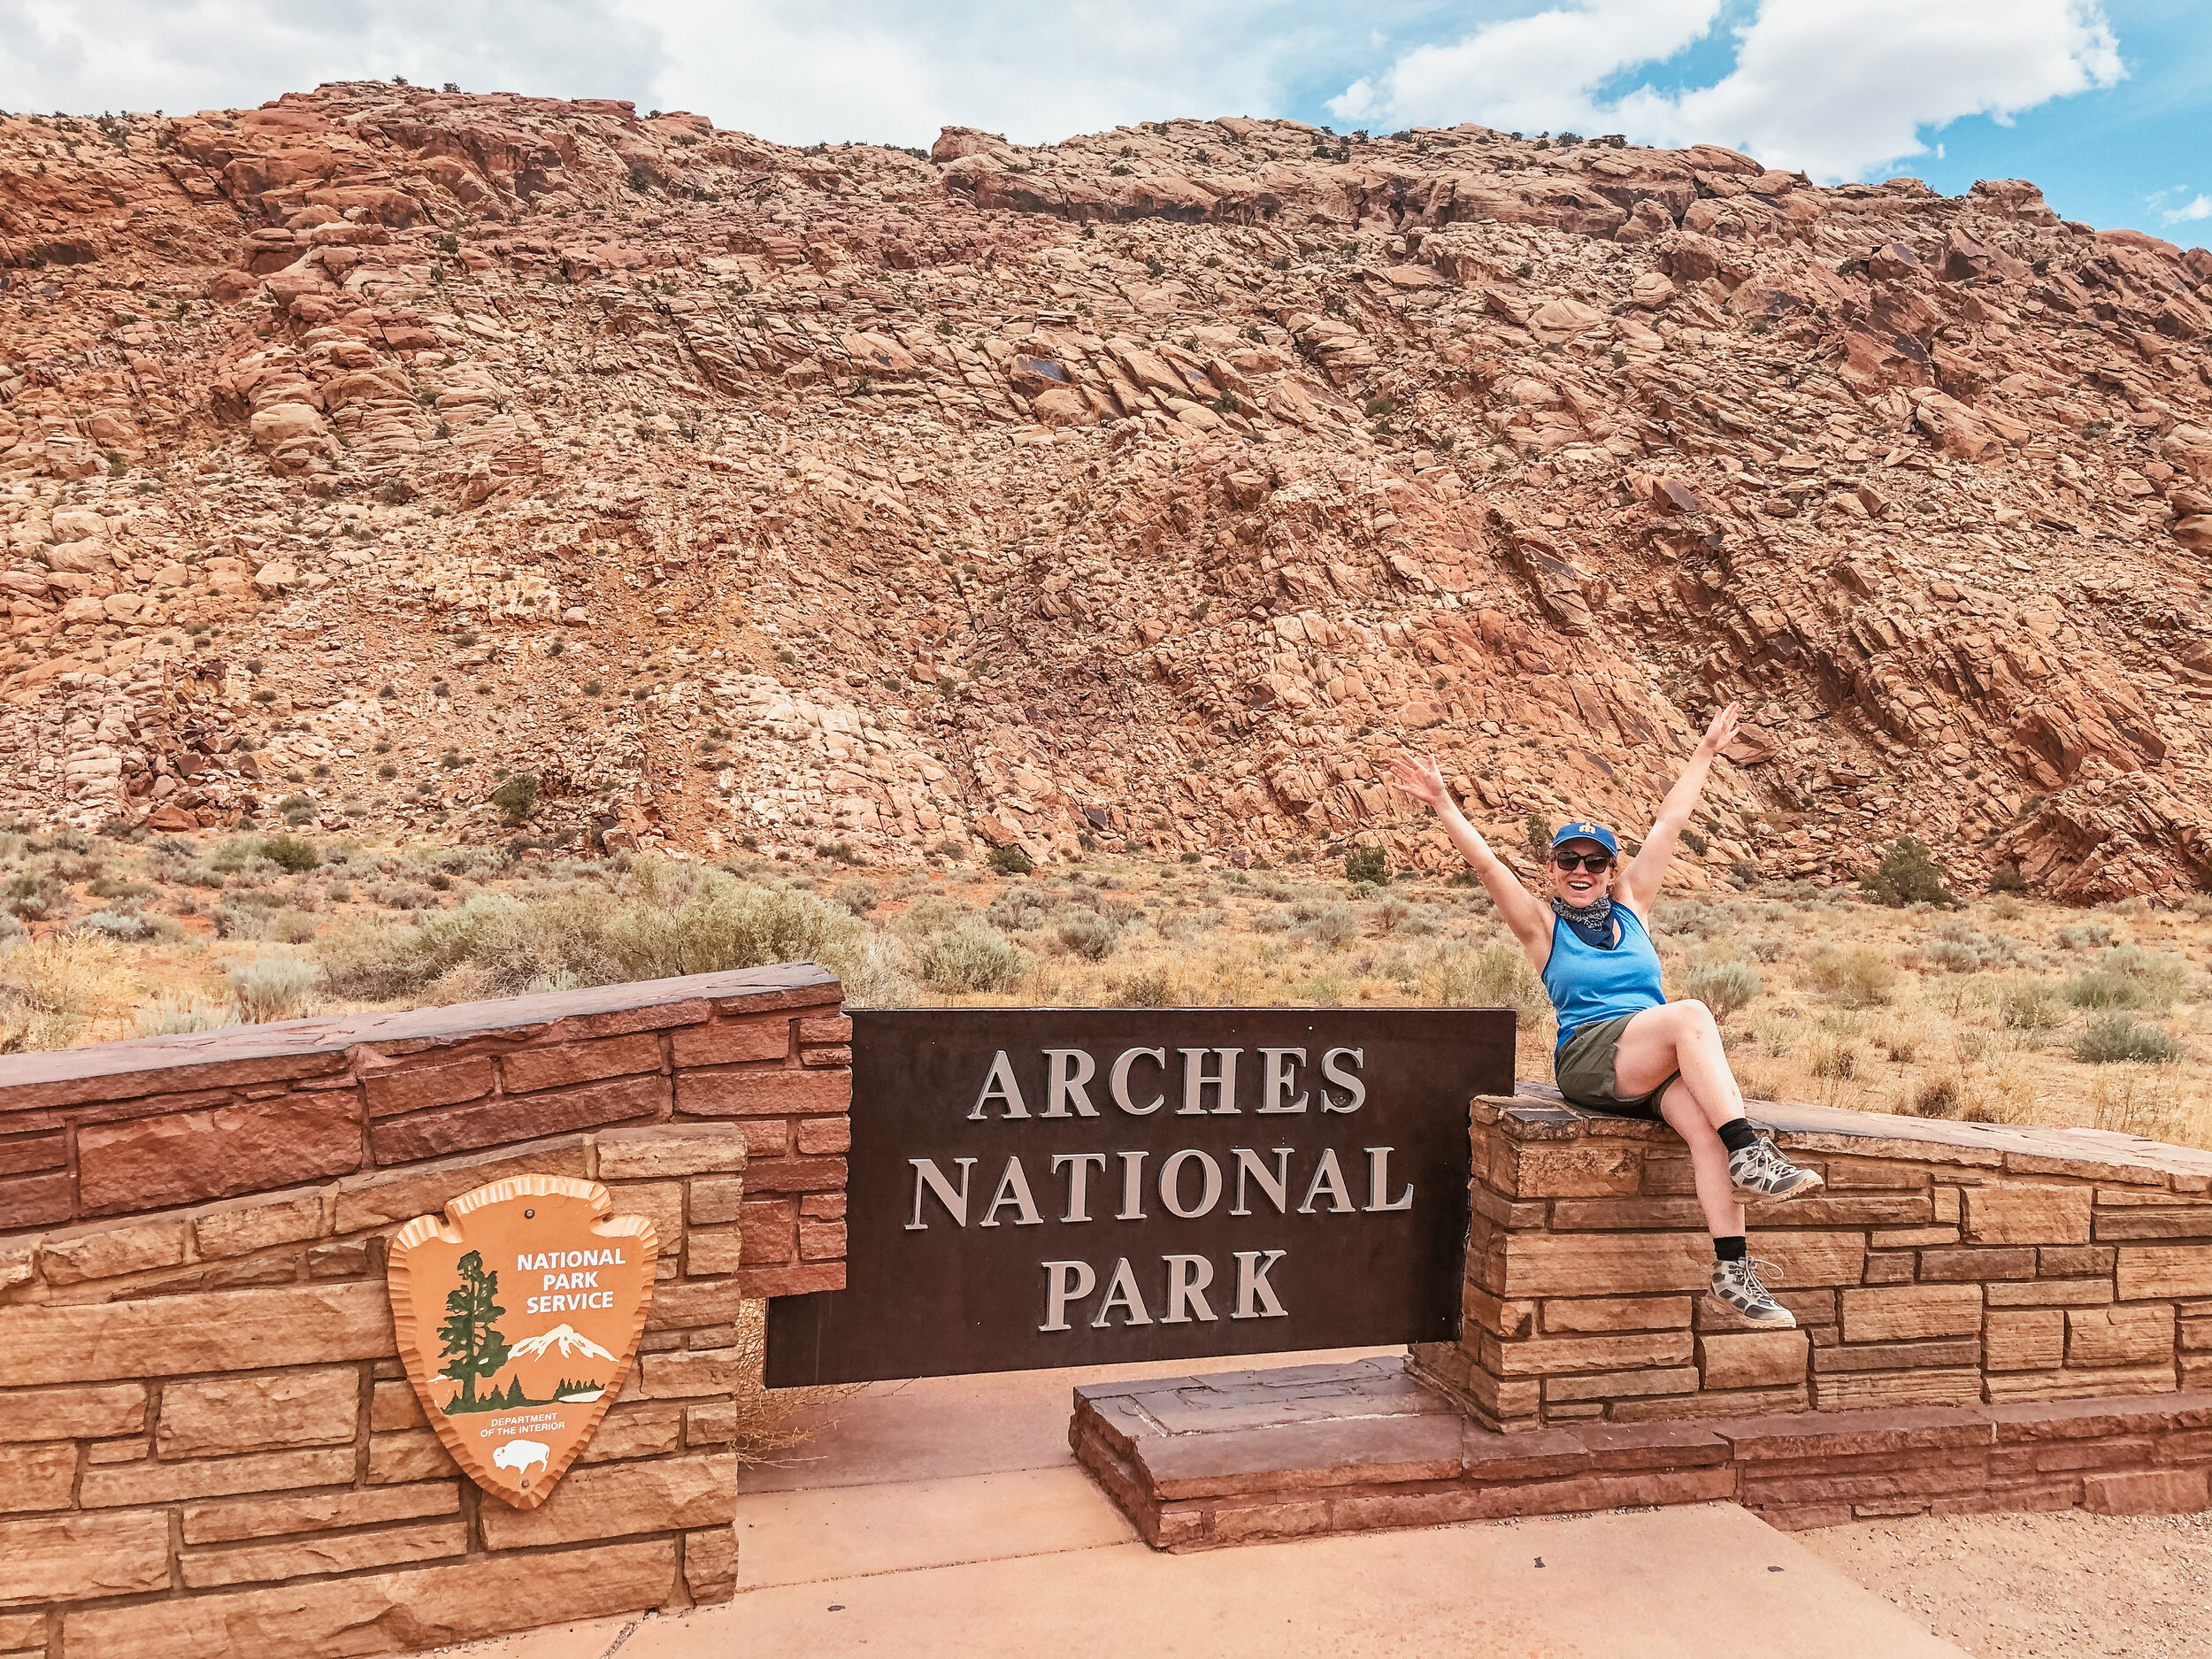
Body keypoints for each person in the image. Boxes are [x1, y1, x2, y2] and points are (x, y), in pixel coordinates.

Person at [1388, 700, 1821, 1328]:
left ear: (1612, 870)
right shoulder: (1542, 925)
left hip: (1649, 1058)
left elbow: (1670, 824)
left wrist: (1704, 753)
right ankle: (1749, 1153)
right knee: (1692, 1013)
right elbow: (1486, 865)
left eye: (1595, 861)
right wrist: (1443, 803)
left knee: (1702, 1125)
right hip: (1592, 1056)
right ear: (1553, 870)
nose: (1582, 870)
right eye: (1569, 860)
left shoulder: (1632, 908)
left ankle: (1732, 1270)